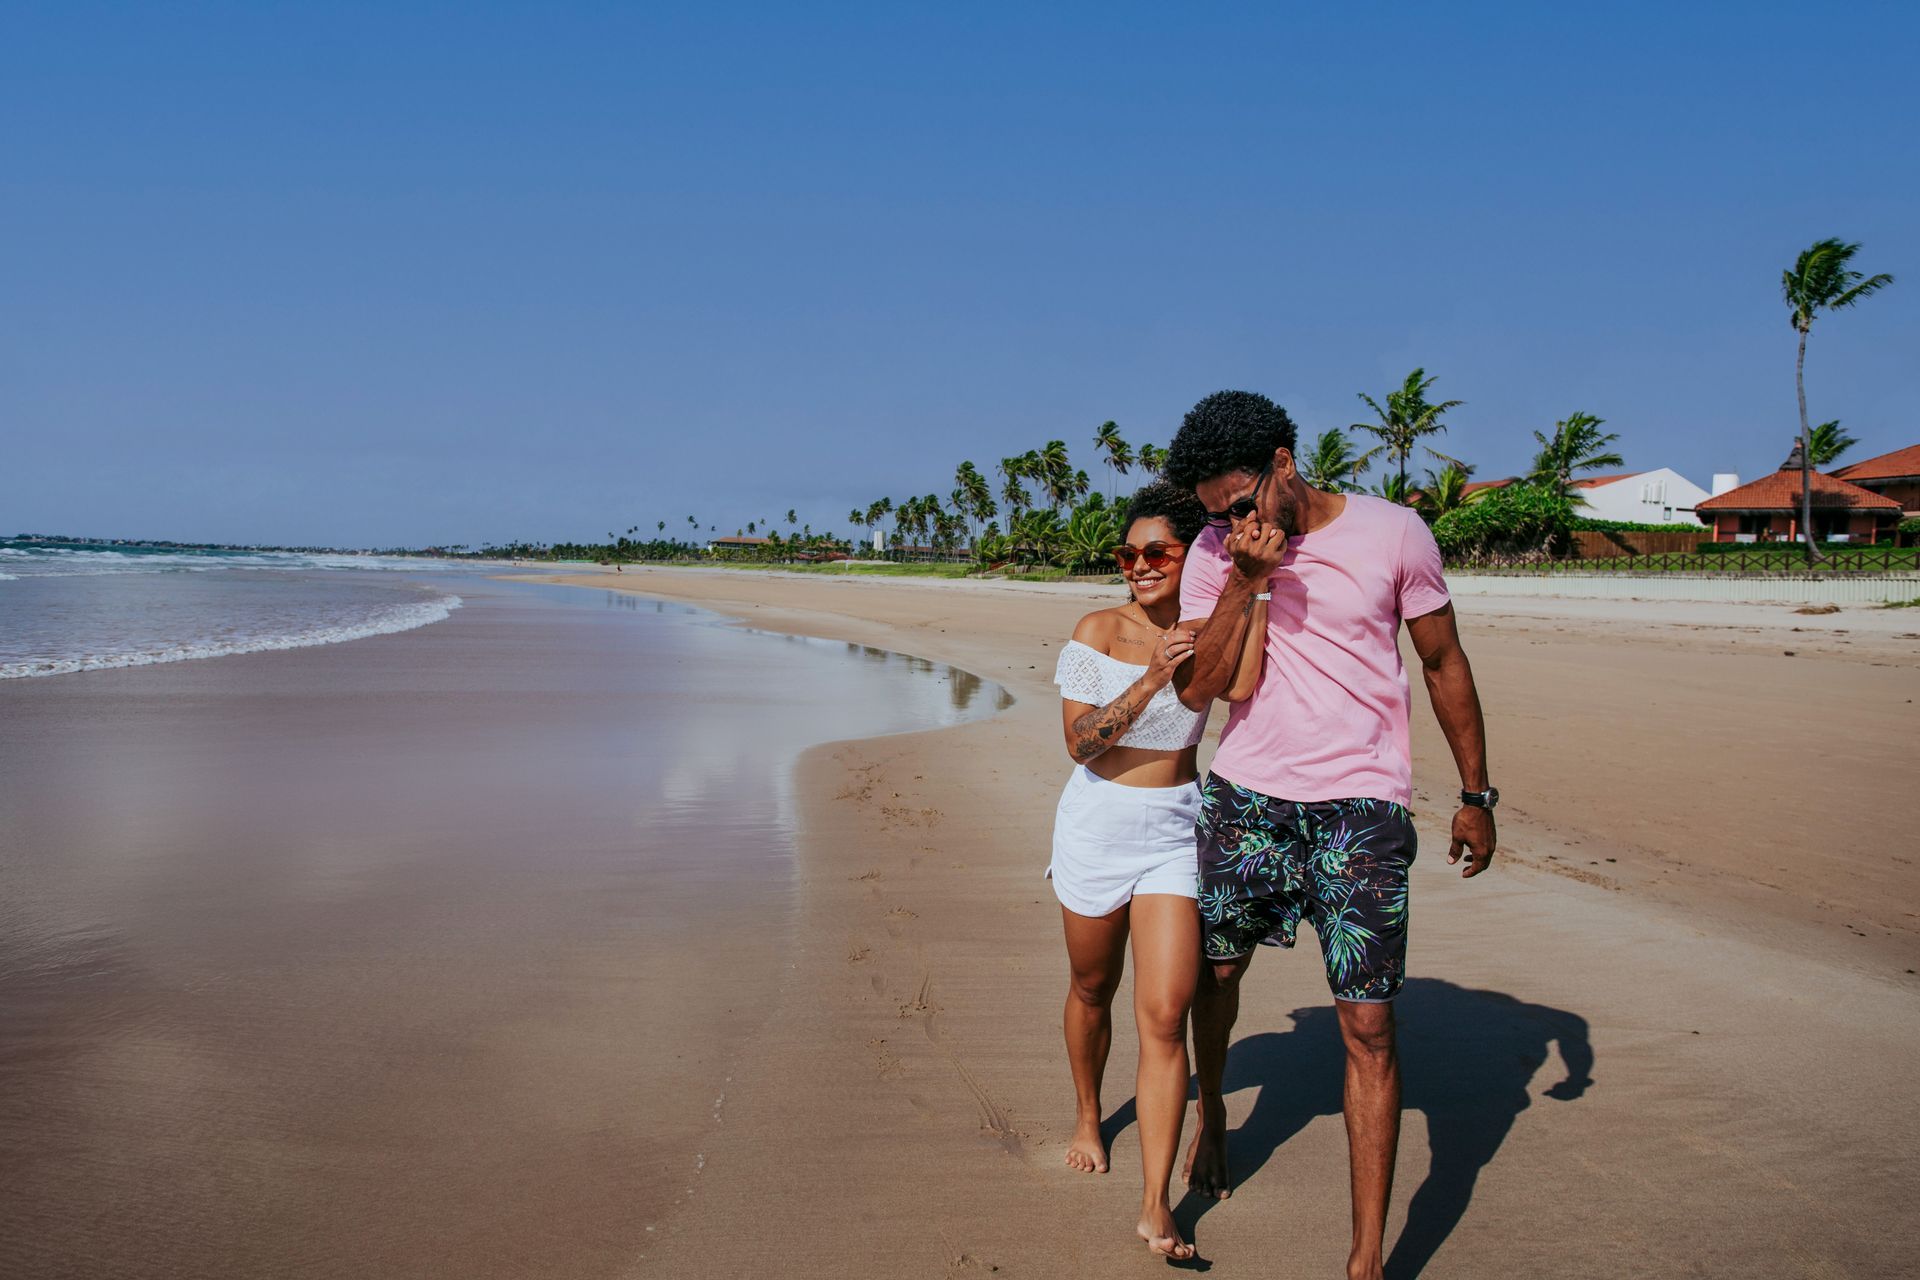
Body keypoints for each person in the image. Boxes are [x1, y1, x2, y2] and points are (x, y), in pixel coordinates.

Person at [1164, 390, 1497, 1280]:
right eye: (1212, 514)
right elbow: (1199, 687)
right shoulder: (1213, 554)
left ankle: (1365, 1259)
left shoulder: (1394, 534)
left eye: (1240, 505)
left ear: (1283, 462)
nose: (1229, 523)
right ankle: (1214, 1114)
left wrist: (1476, 793)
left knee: (1371, 1027)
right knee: (1217, 978)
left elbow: (1441, 660)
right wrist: (1245, 576)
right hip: (1247, 799)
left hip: (1363, 808)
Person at [1047, 480, 1266, 1261]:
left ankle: (1155, 1206)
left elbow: (1239, 686)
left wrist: (1250, 586)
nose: (1138, 565)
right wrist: (1148, 679)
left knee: (1166, 1014)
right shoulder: (1098, 627)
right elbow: (1080, 745)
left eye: (1156, 552)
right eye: (1128, 554)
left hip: (1175, 828)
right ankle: (1085, 1113)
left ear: (1191, 554)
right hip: (1097, 825)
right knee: (1090, 987)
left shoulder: (1212, 629)